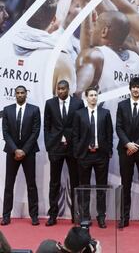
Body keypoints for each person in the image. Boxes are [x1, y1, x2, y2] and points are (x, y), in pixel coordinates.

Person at [44, 80, 84, 226]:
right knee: (54, 182)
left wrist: (78, 146)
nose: (60, 91)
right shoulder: (50, 104)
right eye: (58, 89)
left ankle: (76, 214)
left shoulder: (77, 103)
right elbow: (46, 126)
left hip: (73, 148)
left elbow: (80, 126)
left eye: (63, 89)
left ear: (68, 89)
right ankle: (53, 215)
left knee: (75, 182)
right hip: (55, 148)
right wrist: (49, 145)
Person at [72, 87, 113, 228]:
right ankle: (85, 217)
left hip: (101, 156)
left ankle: (101, 216)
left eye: (96, 95)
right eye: (91, 95)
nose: (94, 97)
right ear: (86, 97)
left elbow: (109, 134)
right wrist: (79, 151)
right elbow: (75, 135)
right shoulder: (79, 114)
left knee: (101, 188)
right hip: (84, 155)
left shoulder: (105, 113)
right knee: (85, 188)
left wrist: (108, 151)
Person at [116, 77, 139, 228]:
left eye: (138, 87)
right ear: (130, 89)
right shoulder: (122, 105)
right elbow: (118, 127)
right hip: (125, 151)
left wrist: (136, 145)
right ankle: (124, 218)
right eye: (133, 87)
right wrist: (128, 144)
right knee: (125, 185)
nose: (136, 89)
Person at [1, 85, 40, 226]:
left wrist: (24, 150)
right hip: (12, 152)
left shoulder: (34, 110)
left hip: (28, 153)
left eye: (22, 93)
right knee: (8, 185)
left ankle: (34, 216)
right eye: (17, 93)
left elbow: (35, 132)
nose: (20, 95)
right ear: (15, 94)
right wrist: (15, 150)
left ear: (26, 94)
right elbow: (5, 132)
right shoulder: (7, 110)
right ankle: (6, 216)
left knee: (31, 185)